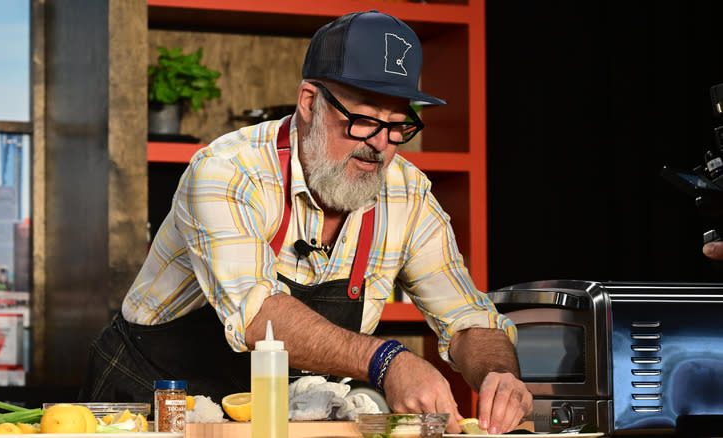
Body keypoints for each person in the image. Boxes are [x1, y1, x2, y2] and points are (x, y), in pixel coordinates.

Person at [80, 10, 533, 434]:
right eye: (362, 121)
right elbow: (258, 317)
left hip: (276, 414)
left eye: (397, 126)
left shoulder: (408, 194)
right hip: (153, 407)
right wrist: (388, 360)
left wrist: (500, 375)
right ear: (310, 102)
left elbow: (468, 317)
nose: (380, 146)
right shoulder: (227, 172)